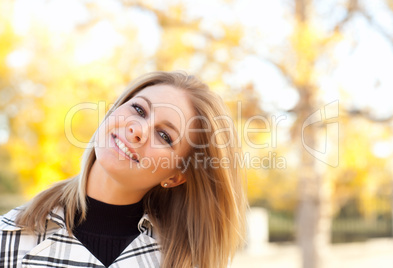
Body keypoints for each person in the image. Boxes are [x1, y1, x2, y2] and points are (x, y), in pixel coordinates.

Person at [0, 71, 247, 268]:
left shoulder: (185, 262)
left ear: (175, 176)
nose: (137, 129)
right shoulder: (9, 237)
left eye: (164, 135)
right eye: (138, 110)